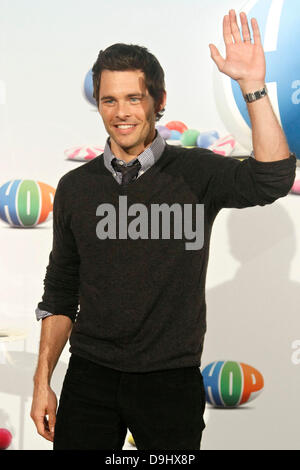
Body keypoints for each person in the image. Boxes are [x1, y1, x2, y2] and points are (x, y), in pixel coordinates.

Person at [30, 10, 296, 450]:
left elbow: (272, 179)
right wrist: (42, 382)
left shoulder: (195, 172)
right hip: (90, 377)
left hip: (169, 382)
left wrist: (251, 86)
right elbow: (59, 291)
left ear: (159, 100)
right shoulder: (76, 188)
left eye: (134, 98)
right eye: (109, 100)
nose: (121, 113)